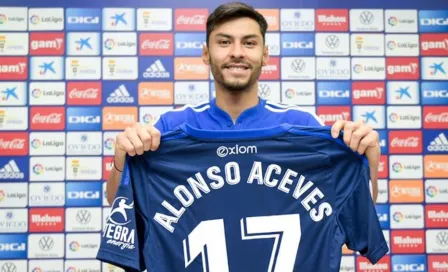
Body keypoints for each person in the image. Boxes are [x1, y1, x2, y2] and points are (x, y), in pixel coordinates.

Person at [106, 1, 380, 206]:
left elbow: (352, 210)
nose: (237, 53)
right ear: (206, 53)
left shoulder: (303, 125)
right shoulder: (170, 127)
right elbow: (120, 206)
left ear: (265, 54)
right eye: (224, 42)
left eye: (249, 43)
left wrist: (368, 161)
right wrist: (122, 161)